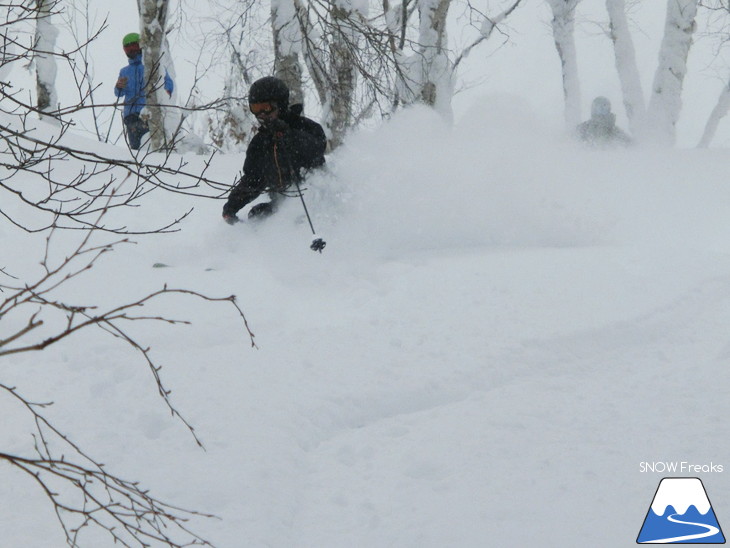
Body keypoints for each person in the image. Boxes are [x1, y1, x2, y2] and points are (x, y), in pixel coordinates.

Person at [222, 76, 327, 223]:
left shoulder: (305, 127)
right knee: (257, 216)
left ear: (281, 104)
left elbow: (316, 149)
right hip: (283, 202)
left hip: (315, 197)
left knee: (296, 217)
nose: (261, 115)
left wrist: (289, 135)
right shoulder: (260, 142)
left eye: (265, 108)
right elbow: (253, 179)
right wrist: (232, 205)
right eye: (256, 109)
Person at [114, 32, 174, 150]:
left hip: (147, 113)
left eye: (135, 47)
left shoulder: (151, 66)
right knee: (136, 149)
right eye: (128, 49)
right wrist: (119, 86)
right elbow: (119, 94)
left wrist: (165, 95)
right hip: (130, 116)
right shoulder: (125, 71)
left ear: (142, 46)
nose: (132, 51)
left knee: (149, 146)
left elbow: (167, 83)